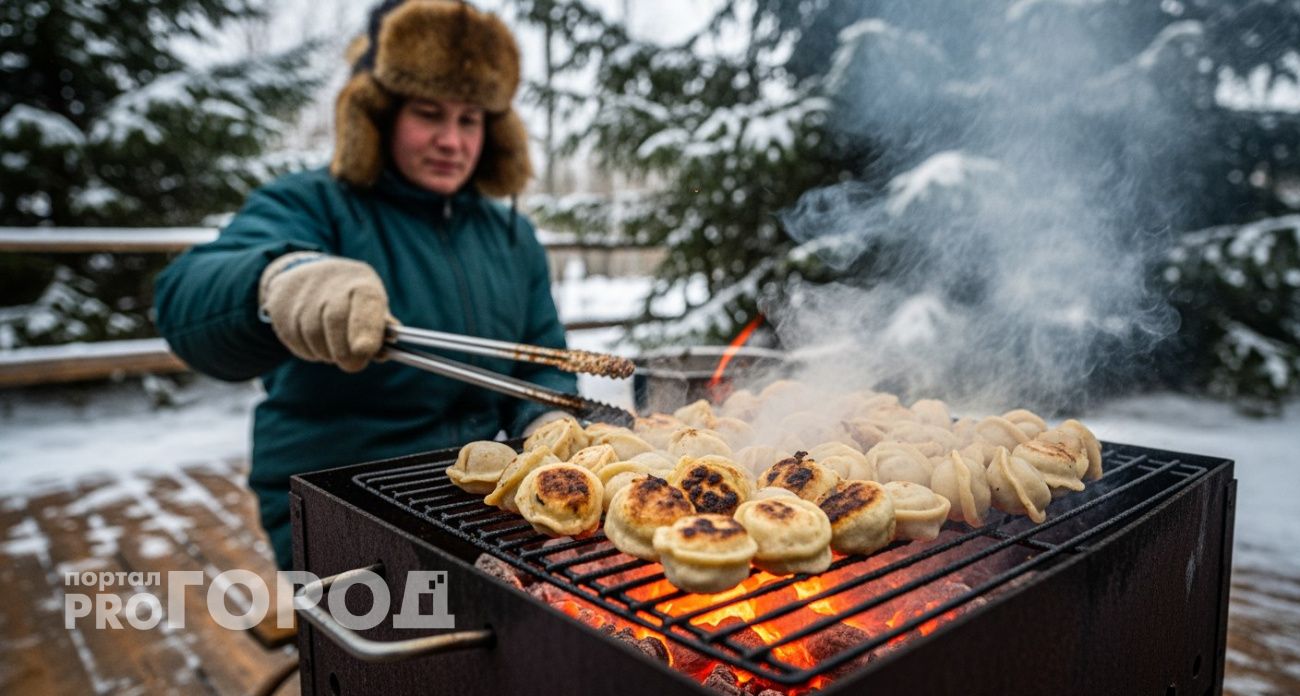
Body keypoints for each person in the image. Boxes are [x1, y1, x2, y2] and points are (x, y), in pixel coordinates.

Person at [153, 0, 575, 570]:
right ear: (377, 115)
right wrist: (281, 280)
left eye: (470, 118)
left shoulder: (510, 234)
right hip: (341, 496)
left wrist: (547, 419)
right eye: (429, 113)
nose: (452, 141)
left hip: (478, 498)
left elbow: (541, 361)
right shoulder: (313, 203)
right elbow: (185, 297)